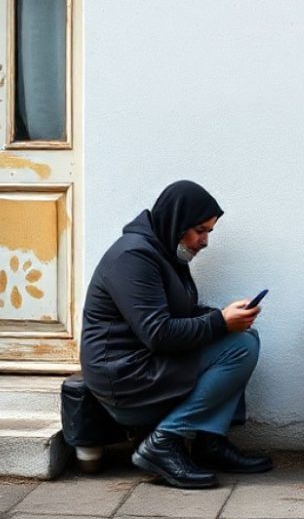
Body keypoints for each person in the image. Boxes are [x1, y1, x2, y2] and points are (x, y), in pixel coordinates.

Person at [80, 180, 272, 488]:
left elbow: (178, 313)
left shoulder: (166, 251)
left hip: (145, 364)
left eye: (209, 231)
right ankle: (163, 442)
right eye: (200, 230)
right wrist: (220, 322)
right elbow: (158, 333)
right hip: (124, 377)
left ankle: (209, 442)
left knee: (244, 339)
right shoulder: (133, 257)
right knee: (239, 346)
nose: (204, 241)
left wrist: (224, 316)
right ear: (176, 222)